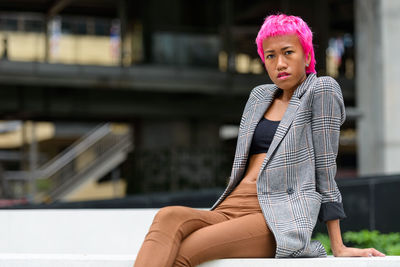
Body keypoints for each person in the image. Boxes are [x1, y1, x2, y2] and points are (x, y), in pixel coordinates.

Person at [134, 13, 385, 267]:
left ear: (307, 56)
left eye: (288, 52)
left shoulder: (321, 90)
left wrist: (338, 246)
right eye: (271, 56)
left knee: (185, 252)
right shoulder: (258, 97)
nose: (280, 63)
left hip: (276, 218)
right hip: (230, 208)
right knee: (167, 217)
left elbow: (326, 168)